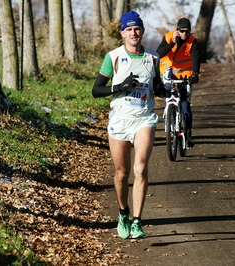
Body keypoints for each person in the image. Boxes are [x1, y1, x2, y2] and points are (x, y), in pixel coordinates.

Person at [91, 10, 166, 239]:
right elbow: (96, 90)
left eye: (137, 29)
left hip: (144, 118)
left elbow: (156, 85)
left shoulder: (153, 57)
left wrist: (163, 90)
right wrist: (119, 86)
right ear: (123, 33)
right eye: (129, 29)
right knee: (122, 173)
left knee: (140, 168)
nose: (134, 33)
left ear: (142, 31)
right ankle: (123, 212)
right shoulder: (113, 57)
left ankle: (137, 222)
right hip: (120, 120)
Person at [156, 17, 200, 148]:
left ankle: (188, 134)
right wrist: (172, 44)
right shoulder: (169, 37)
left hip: (185, 77)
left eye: (187, 31)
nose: (184, 34)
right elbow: (158, 53)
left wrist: (195, 74)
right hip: (168, 74)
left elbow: (196, 58)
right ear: (177, 30)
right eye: (182, 31)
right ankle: (170, 119)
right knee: (169, 99)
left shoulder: (193, 42)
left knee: (185, 105)